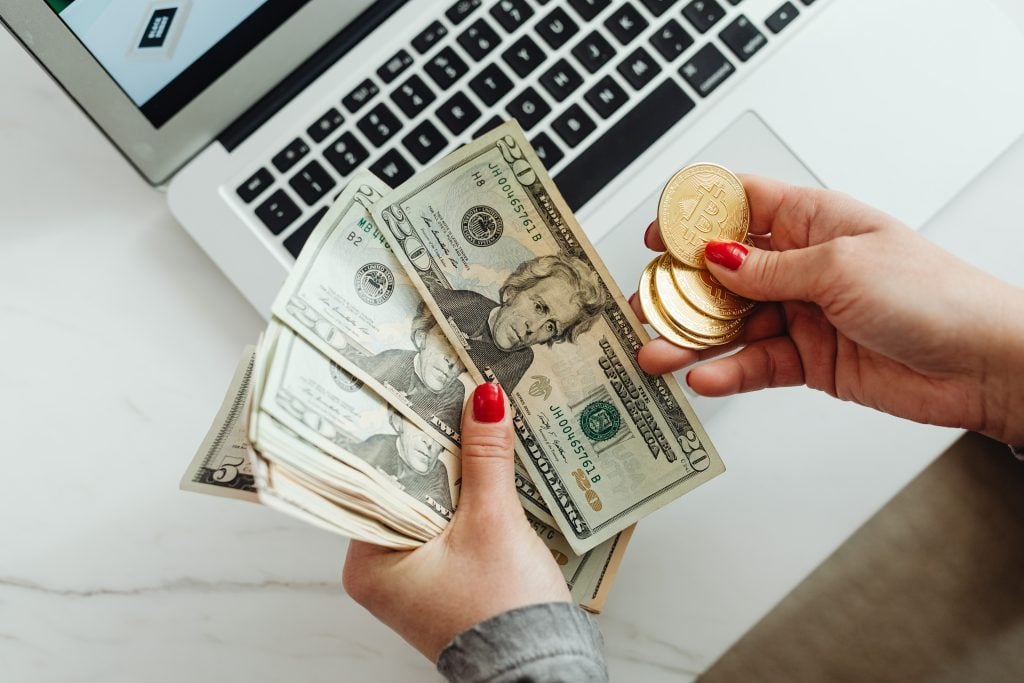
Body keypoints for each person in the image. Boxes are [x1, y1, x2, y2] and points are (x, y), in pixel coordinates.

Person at [342, 176, 1024, 682]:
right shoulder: (453, 300)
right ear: (515, 286)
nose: (538, 327)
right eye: (541, 309)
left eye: (554, 323)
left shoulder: (515, 363)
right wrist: (997, 367)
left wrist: (516, 646)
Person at [430, 253, 608, 390]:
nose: (534, 328)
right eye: (539, 307)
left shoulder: (520, 359)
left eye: (550, 326)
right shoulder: (467, 303)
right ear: (512, 292)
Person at [353, 303, 466, 436]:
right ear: (421, 338)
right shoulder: (394, 359)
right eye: (446, 340)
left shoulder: (456, 393)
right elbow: (354, 363)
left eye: (464, 356)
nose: (453, 361)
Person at [359, 409, 454, 518]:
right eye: (420, 427)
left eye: (439, 437)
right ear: (397, 422)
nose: (429, 442)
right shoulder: (380, 444)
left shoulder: (439, 471)